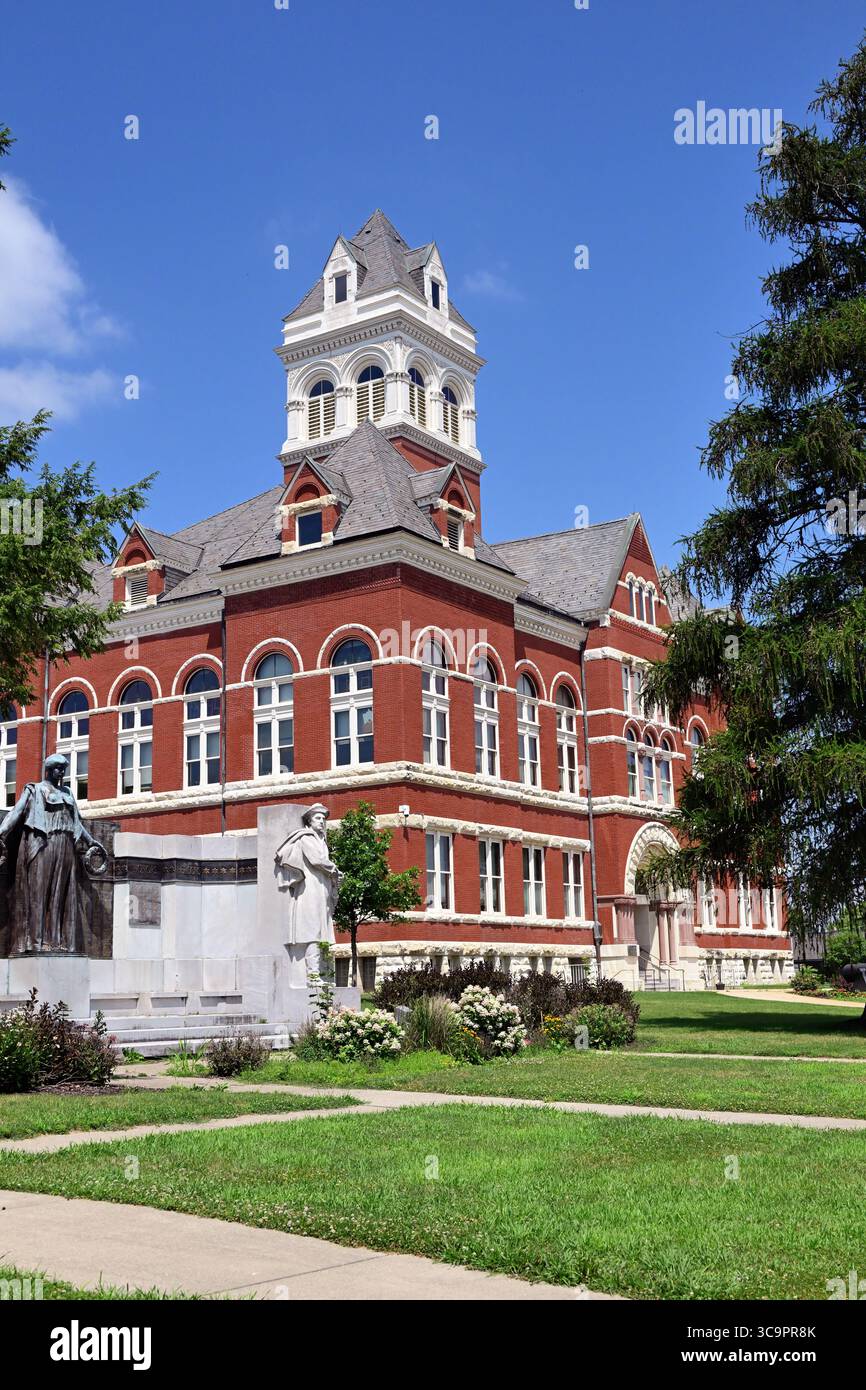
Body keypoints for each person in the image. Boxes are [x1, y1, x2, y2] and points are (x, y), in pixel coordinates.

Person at [0, 753, 107, 954]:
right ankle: (36, 942)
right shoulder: (35, 789)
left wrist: (90, 840)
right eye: (58, 768)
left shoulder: (67, 792)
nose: (61, 772)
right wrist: (1, 833)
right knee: (38, 894)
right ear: (49, 769)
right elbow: (16, 813)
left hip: (66, 845)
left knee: (60, 895)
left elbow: (76, 822)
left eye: (63, 769)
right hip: (43, 844)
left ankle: (57, 941)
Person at [275, 803, 341, 986]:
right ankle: (312, 977)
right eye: (318, 818)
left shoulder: (321, 839)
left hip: (322, 889)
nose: (322, 822)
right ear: (309, 821)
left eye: (323, 819)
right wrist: (334, 868)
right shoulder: (306, 838)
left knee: (321, 931)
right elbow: (317, 859)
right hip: (309, 889)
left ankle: (319, 974)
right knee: (313, 930)